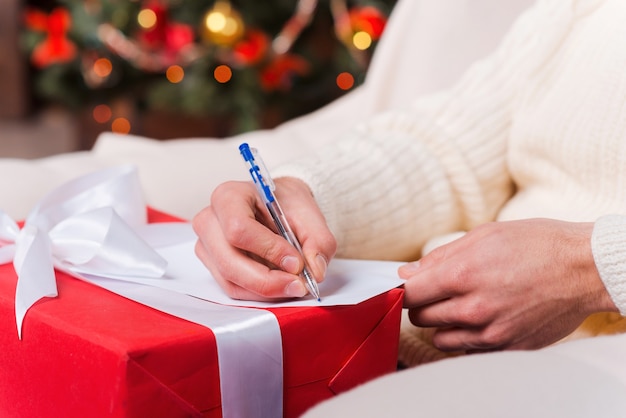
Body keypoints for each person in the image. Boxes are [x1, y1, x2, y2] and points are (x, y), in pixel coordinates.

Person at [192, 0, 626, 361]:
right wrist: (308, 199)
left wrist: (591, 268)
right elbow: (448, 149)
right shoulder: (582, 12)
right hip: (411, 360)